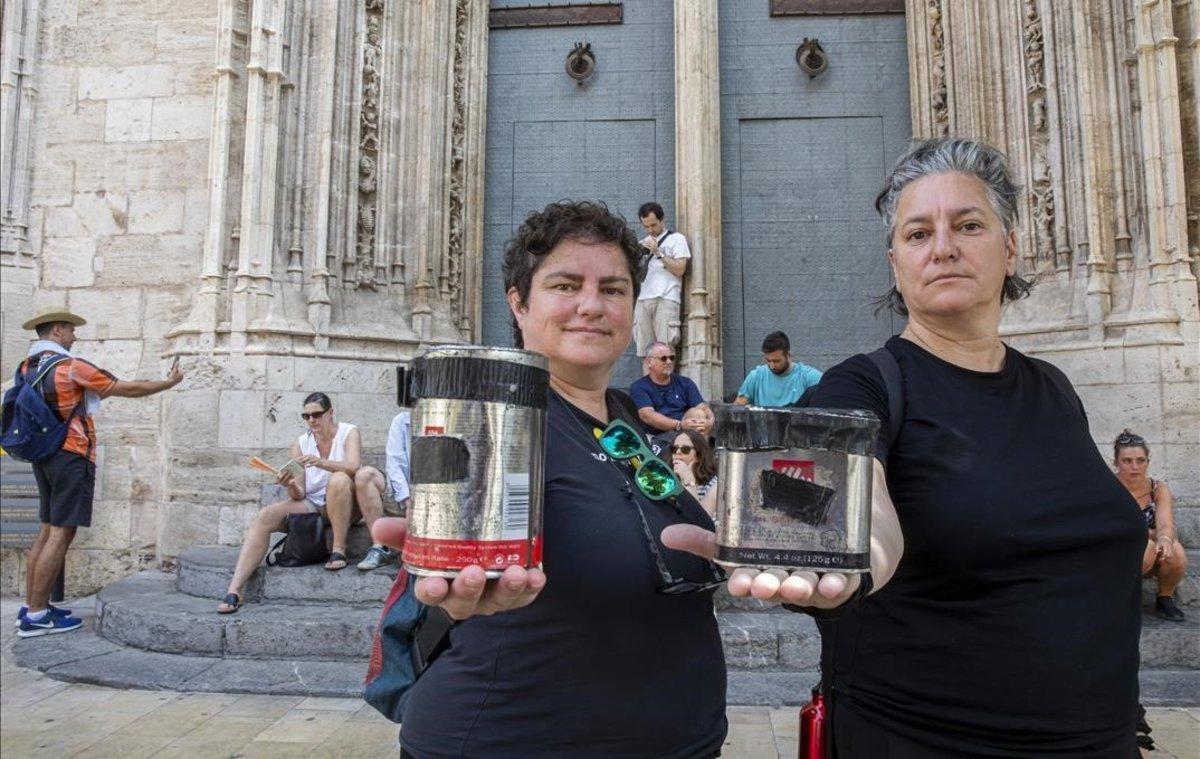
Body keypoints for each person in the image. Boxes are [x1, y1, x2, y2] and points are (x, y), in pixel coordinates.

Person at [663, 138, 1145, 756]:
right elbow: (850, 503)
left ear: (1012, 247)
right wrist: (854, 553)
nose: (943, 247)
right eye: (918, 234)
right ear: (895, 263)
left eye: (968, 225)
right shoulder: (864, 385)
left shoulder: (1053, 388)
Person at [372, 200, 727, 757]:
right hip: (511, 737)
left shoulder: (623, 417)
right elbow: (458, 562)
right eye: (565, 285)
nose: (591, 305)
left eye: (613, 289)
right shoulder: (495, 422)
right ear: (518, 303)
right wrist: (456, 589)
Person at [15, 309, 183, 638]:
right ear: (58, 330)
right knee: (62, 533)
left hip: (45, 454)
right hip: (71, 454)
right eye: (71, 330)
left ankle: (33, 605)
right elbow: (124, 388)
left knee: (47, 529)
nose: (75, 336)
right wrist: (168, 382)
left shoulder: (26, 366)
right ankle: (36, 616)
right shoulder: (68, 366)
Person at [218, 393, 391, 613]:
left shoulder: (349, 432)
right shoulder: (301, 443)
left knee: (338, 479)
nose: (311, 420)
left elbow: (353, 467)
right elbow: (299, 494)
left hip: (346, 500)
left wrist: (321, 462)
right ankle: (235, 590)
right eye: (306, 416)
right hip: (316, 504)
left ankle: (339, 550)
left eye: (316, 415)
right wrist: (289, 483)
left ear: (330, 413)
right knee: (265, 516)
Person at [1113, 429, 1187, 621]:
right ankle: (1118, 601)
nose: (1135, 467)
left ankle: (1164, 599)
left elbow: (1166, 524)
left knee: (1174, 550)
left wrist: (1163, 538)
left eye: (1140, 460)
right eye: (1127, 461)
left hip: (1147, 552)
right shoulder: (1107, 488)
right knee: (1147, 546)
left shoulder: (1158, 489)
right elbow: (1111, 530)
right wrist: (1150, 535)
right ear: (1116, 462)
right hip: (1113, 554)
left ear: (1148, 462)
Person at [354, 408, 412, 571]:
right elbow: (394, 463)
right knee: (364, 475)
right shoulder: (402, 420)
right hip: (402, 495)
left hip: (435, 500)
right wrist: (407, 501)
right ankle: (380, 548)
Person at [633, 201, 690, 356]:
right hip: (643, 299)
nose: (651, 230)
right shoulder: (642, 244)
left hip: (666, 298)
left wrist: (659, 253)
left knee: (665, 351)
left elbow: (680, 269)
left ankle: (666, 380)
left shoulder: (677, 239)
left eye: (654, 225)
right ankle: (647, 380)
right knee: (645, 352)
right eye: (646, 226)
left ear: (662, 219)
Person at [629, 341, 706, 433]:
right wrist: (679, 425)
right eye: (663, 358)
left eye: (672, 358)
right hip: (655, 437)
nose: (669, 362)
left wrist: (709, 423)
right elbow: (647, 415)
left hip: (686, 433)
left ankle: (700, 445)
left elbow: (703, 408)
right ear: (649, 362)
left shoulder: (685, 383)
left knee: (699, 413)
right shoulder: (639, 387)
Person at [734, 331, 822, 407]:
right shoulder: (756, 376)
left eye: (776, 361)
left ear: (788, 356)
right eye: (768, 360)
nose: (771, 365)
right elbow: (739, 406)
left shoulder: (808, 376)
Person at [669, 429, 719, 517]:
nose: (678, 452)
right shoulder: (666, 478)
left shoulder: (714, 486)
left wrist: (689, 480)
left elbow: (701, 520)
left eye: (685, 449)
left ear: (699, 456)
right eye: (674, 448)